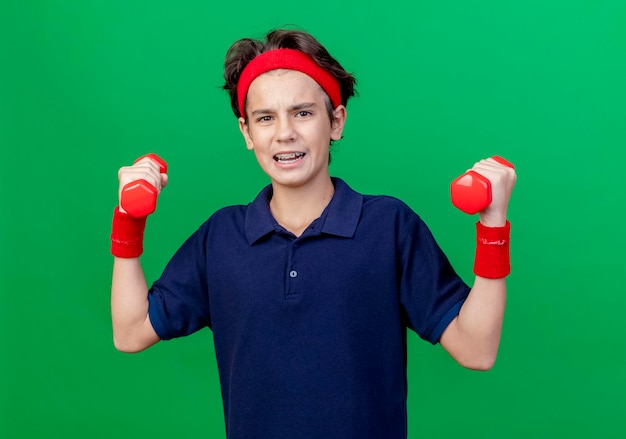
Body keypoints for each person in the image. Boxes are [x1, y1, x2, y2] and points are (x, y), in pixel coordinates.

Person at [110, 28, 517, 439]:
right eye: (265, 118)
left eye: (303, 113)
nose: (284, 133)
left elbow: (476, 348)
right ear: (247, 133)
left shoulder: (388, 226)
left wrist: (493, 224)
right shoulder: (221, 237)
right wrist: (128, 220)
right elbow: (130, 331)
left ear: (336, 121)